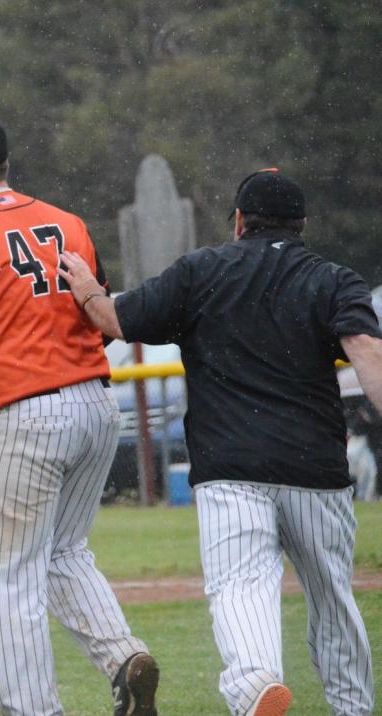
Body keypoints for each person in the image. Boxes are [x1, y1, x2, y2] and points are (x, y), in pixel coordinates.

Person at [61, 167, 380, 716]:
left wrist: (86, 286)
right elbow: (368, 357)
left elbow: (114, 321)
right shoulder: (333, 279)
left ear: (238, 221)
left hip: (230, 468)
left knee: (240, 587)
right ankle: (351, 705)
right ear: (302, 225)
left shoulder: (201, 272)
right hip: (315, 468)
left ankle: (256, 683)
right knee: (333, 597)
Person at [0, 106, 157, 716]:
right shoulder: (68, 223)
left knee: (9, 578)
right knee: (65, 552)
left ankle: (32, 710)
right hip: (96, 405)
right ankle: (124, 656)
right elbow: (99, 322)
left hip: (22, 416)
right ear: (4, 163)